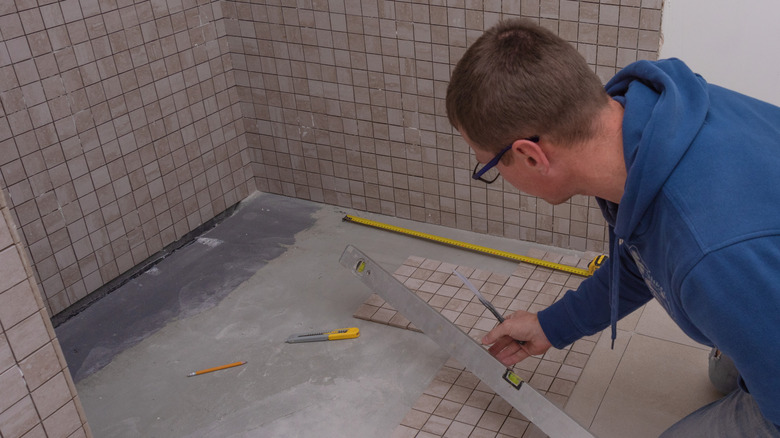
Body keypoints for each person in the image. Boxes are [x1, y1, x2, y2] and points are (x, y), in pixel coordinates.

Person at [446, 18, 780, 437]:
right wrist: (553, 325)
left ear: (531, 156)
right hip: (757, 265)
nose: (493, 174)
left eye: (489, 165)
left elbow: (692, 249)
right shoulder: (656, 125)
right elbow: (648, 253)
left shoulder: (711, 255)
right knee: (727, 370)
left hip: (746, 270)